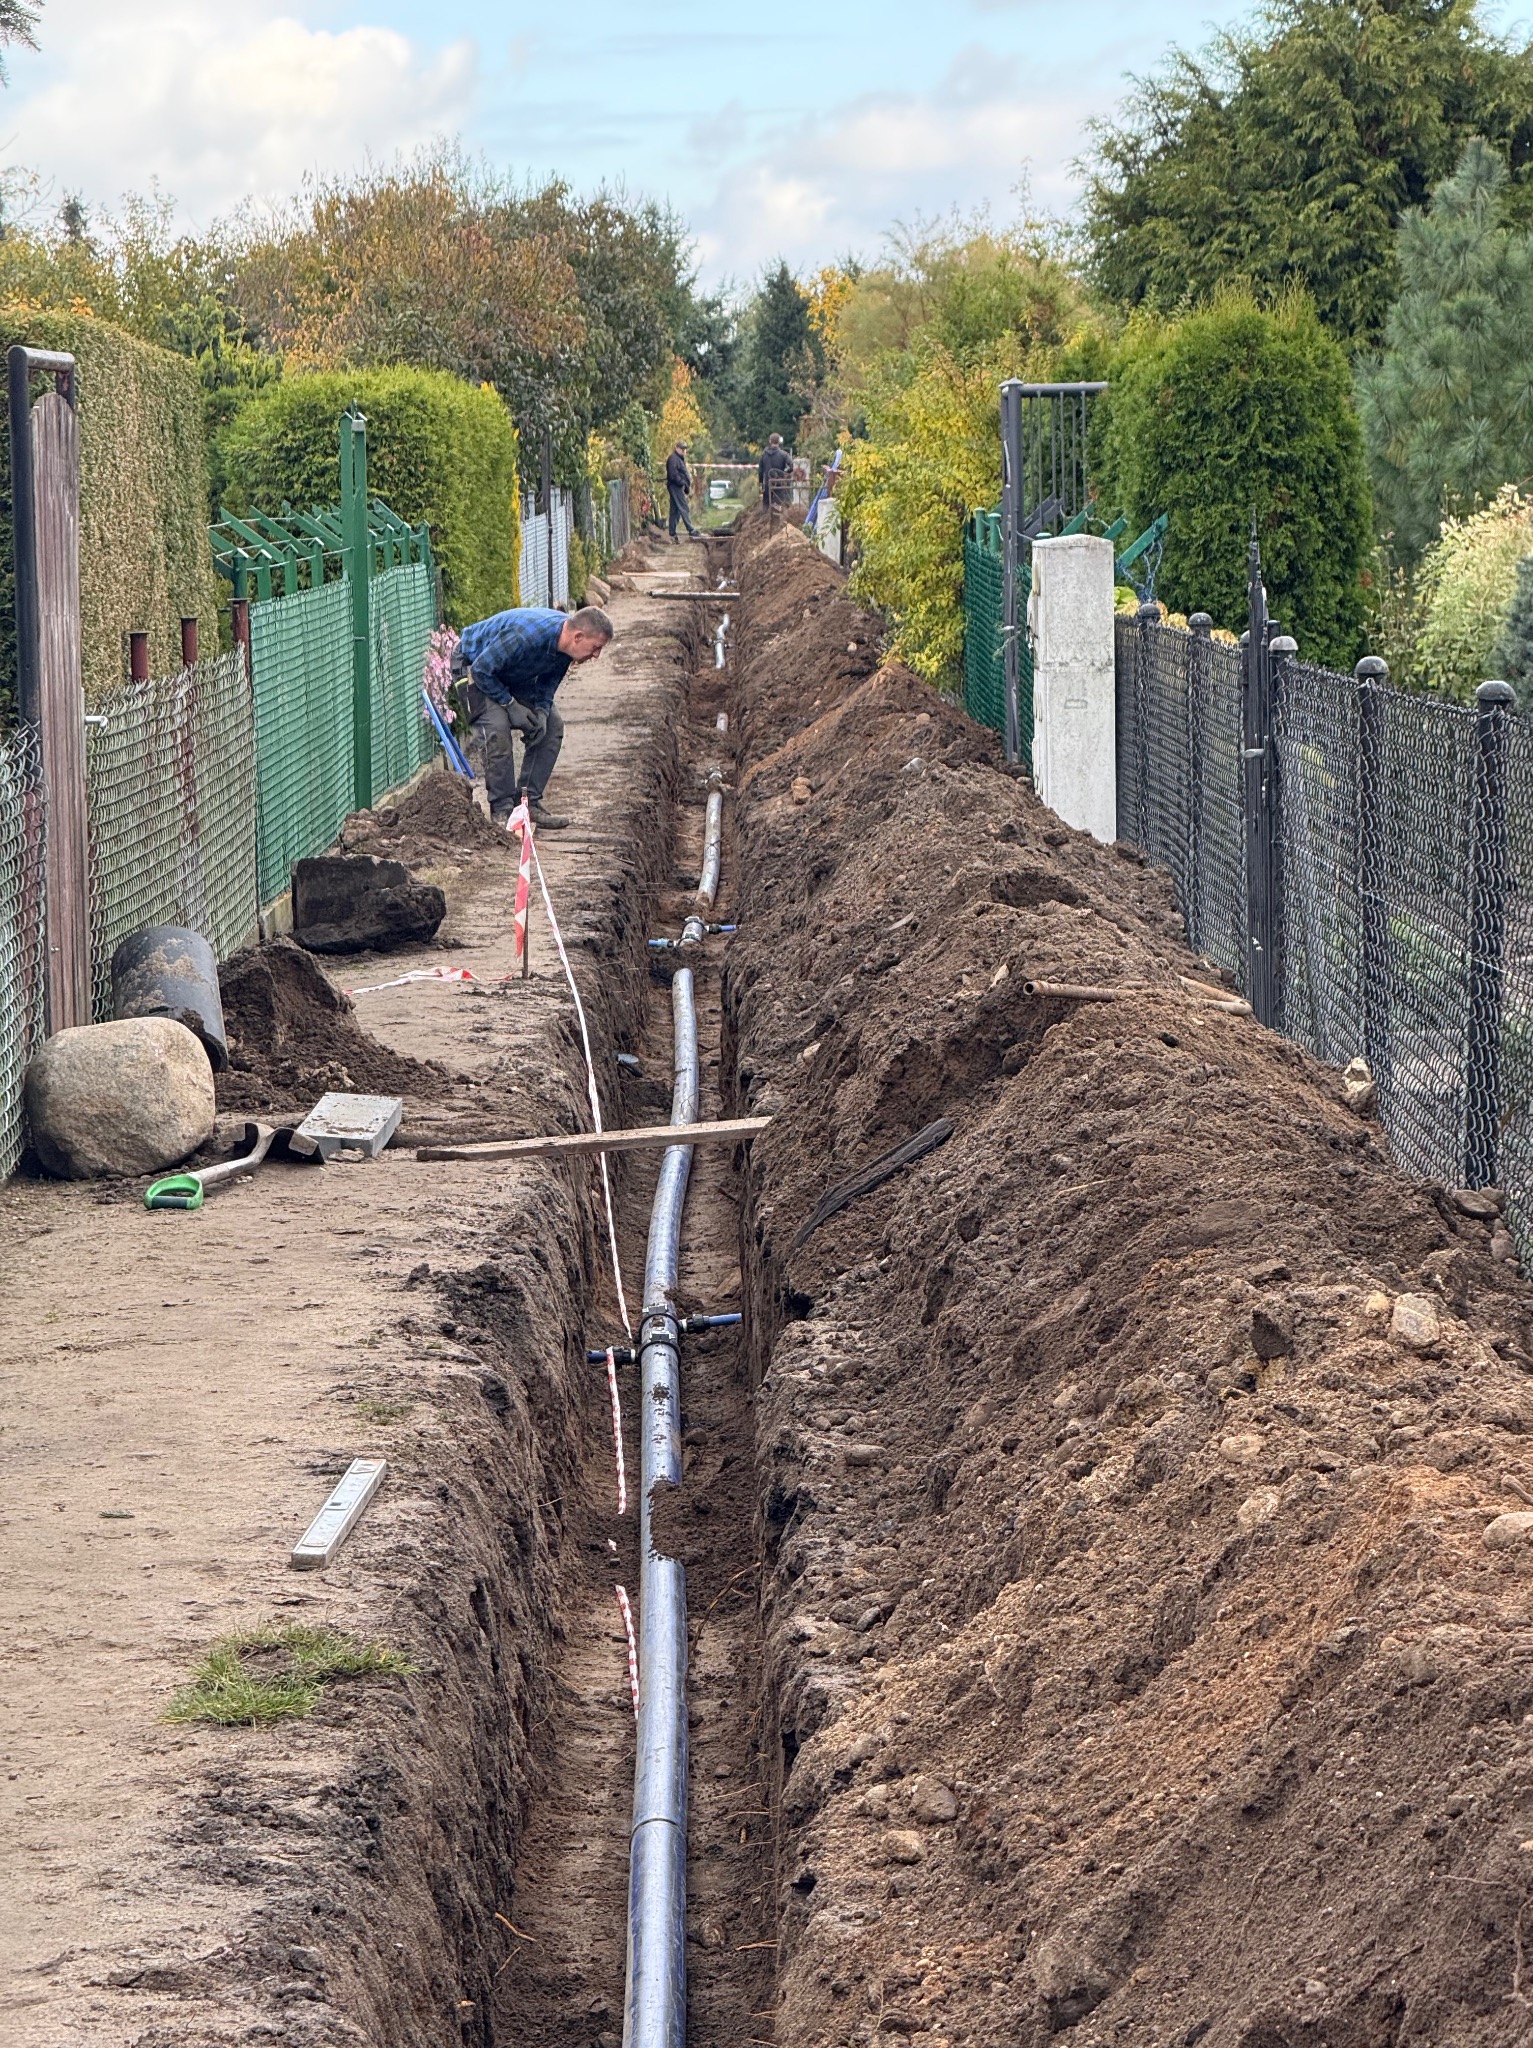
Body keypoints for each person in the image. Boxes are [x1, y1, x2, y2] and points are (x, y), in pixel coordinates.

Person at [453, 604, 614, 830]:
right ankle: (502, 810)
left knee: (551, 726)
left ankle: (528, 803)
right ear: (578, 637)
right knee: (497, 727)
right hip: (475, 666)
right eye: (596, 647)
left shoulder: (566, 647)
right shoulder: (525, 635)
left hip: (510, 671)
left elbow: (548, 683)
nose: (596, 655)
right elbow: (482, 670)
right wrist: (509, 705)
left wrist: (541, 710)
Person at [665, 441, 700, 541]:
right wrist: (683, 483)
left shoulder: (679, 459)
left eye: (685, 449)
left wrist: (685, 484)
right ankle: (691, 530)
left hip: (677, 486)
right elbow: (673, 475)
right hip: (675, 486)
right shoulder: (673, 459)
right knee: (684, 507)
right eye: (682, 448)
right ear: (676, 448)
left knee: (675, 510)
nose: (684, 451)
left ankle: (672, 534)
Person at [758, 432, 792, 511]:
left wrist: (760, 483)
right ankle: (777, 521)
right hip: (779, 483)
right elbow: (791, 466)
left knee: (766, 506)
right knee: (778, 506)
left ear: (770, 441)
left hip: (767, 483)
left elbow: (760, 471)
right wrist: (784, 473)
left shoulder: (763, 455)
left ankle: (766, 520)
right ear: (779, 442)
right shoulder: (784, 455)